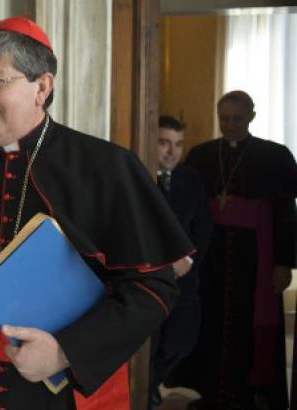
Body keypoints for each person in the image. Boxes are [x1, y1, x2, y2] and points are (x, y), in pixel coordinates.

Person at [0, 17, 193, 410]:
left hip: (70, 389)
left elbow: (154, 288)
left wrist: (66, 351)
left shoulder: (108, 167)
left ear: (42, 87)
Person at [166, 91, 297, 409]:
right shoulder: (202, 155)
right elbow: (187, 209)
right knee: (209, 323)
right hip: (212, 257)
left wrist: (284, 263)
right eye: (224, 118)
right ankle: (211, 392)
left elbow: (285, 213)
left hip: (255, 259)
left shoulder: (276, 157)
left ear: (252, 116)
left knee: (249, 328)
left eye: (237, 118)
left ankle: (249, 395)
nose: (230, 125)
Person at [148, 116, 213, 408]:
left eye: (178, 145)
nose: (171, 152)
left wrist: (187, 259)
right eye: (164, 143)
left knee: (181, 342)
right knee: (148, 345)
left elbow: (203, 225)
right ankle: (146, 391)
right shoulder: (140, 174)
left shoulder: (190, 178)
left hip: (184, 277)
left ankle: (151, 383)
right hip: (148, 277)